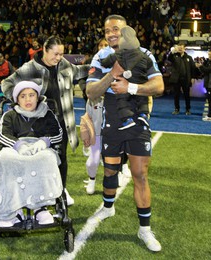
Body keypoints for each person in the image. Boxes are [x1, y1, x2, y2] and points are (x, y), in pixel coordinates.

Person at [85, 14, 164, 252]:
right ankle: (108, 207)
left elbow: (159, 87)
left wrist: (131, 87)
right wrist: (112, 74)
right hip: (111, 122)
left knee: (140, 173)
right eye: (107, 30)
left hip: (138, 122)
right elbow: (91, 91)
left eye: (116, 29)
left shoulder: (144, 54)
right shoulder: (101, 57)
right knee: (110, 169)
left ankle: (145, 230)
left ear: (126, 30)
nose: (111, 34)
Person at [2, 36, 90, 205]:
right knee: (40, 160)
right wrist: (21, 99)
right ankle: (39, 192)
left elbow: (80, 71)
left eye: (61, 54)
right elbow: (7, 84)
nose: (58, 58)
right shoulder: (30, 68)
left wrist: (100, 66)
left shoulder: (64, 65)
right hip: (38, 125)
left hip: (62, 122)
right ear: (44, 49)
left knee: (61, 158)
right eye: (55, 54)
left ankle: (61, 190)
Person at [0, 81, 63, 228]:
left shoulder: (47, 114)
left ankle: (40, 208)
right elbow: (3, 135)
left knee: (47, 158)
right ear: (17, 99)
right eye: (23, 96)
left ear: (38, 97)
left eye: (31, 95)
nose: (28, 100)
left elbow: (58, 134)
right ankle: (11, 210)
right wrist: (18, 145)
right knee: (3, 159)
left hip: (40, 147)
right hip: (15, 147)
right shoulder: (10, 115)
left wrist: (44, 142)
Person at [100, 25, 152, 130]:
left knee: (121, 101)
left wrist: (102, 62)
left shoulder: (118, 53)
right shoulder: (143, 55)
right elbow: (149, 64)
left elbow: (105, 62)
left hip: (123, 84)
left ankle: (127, 119)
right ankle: (144, 114)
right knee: (142, 98)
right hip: (138, 85)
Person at [80, 97, 104, 195]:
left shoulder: (114, 97)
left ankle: (118, 174)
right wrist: (85, 135)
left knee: (112, 162)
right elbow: (86, 118)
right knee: (92, 162)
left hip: (112, 135)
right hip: (97, 134)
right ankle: (92, 179)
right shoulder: (92, 99)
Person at [167, 42, 196, 115]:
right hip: (176, 79)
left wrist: (193, 77)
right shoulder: (174, 56)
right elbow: (169, 58)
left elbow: (193, 68)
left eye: (181, 47)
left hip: (186, 79)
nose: (180, 49)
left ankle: (188, 109)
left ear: (184, 48)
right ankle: (177, 109)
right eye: (179, 47)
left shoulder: (189, 58)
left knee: (187, 95)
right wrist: (173, 51)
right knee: (176, 95)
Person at [196, 49, 211, 122]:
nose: (210, 56)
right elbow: (205, 71)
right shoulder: (210, 62)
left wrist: (200, 66)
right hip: (210, 83)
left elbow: (207, 70)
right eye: (209, 54)